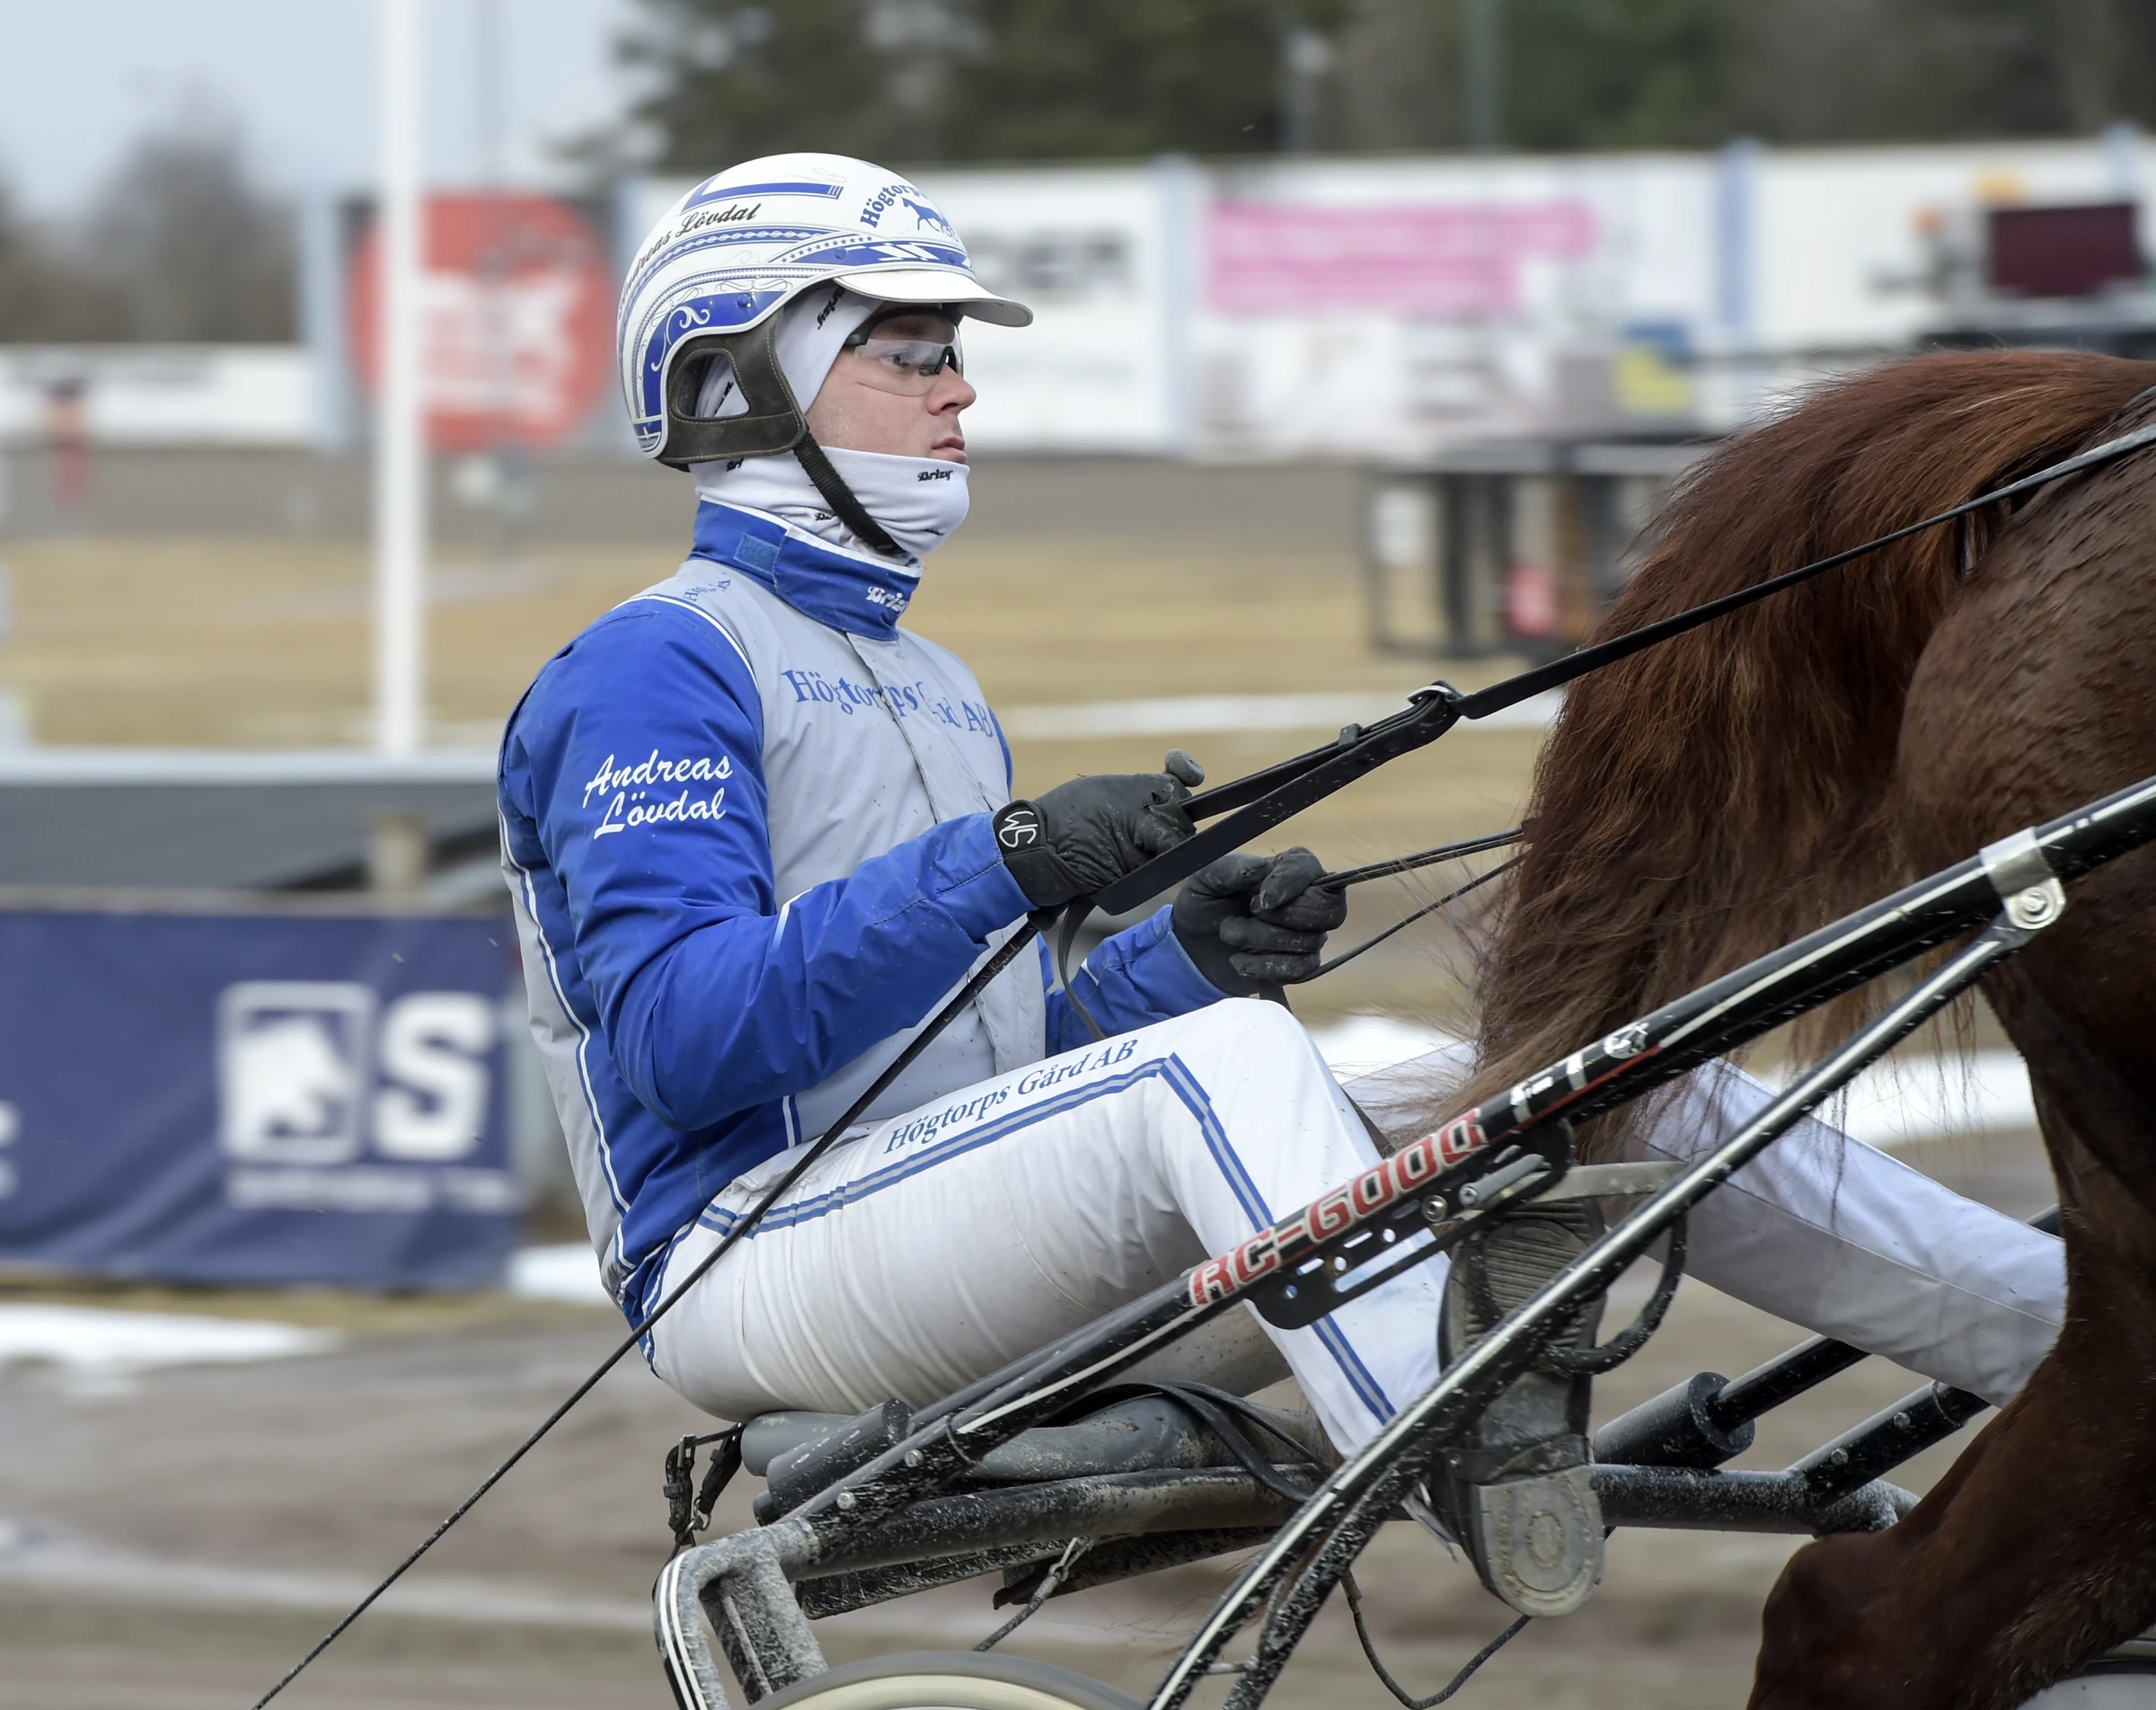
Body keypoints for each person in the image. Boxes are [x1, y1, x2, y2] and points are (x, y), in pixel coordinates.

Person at [498, 155, 2063, 1567]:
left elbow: (978, 1073)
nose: (959, 393)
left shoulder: (933, 687)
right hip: (749, 1254)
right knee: (1228, 1072)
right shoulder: (653, 668)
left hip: (925, 1230)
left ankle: (2081, 1361)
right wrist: (1004, 862)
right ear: (744, 381)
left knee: (1622, 1075)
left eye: (956, 354)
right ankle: (1458, 1444)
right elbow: (688, 1039)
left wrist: (1173, 961)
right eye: (910, 354)